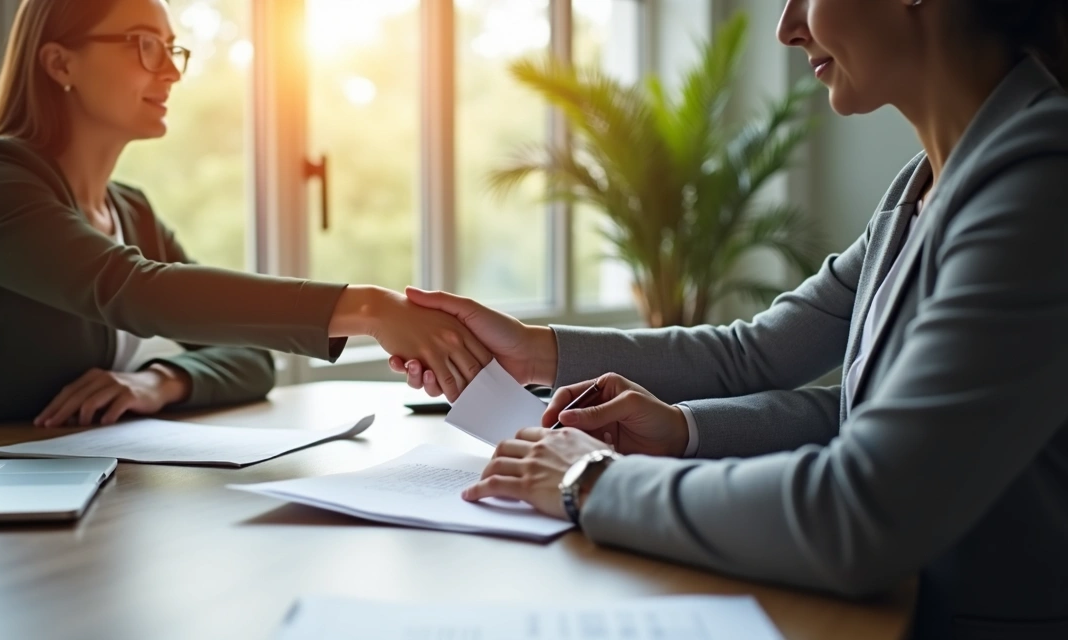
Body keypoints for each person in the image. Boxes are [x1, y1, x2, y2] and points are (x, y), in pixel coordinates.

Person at [393, 0, 1068, 636]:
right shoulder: (922, 186)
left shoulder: (1039, 182)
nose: (787, 27)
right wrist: (553, 362)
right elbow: (762, 355)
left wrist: (587, 480)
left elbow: (862, 511)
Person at [0, 0, 491, 435]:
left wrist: (158, 382)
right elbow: (133, 291)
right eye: (144, 45)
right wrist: (369, 306)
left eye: (171, 49)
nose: (171, 70)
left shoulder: (130, 210)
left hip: (59, 489)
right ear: (59, 63)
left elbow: (252, 358)